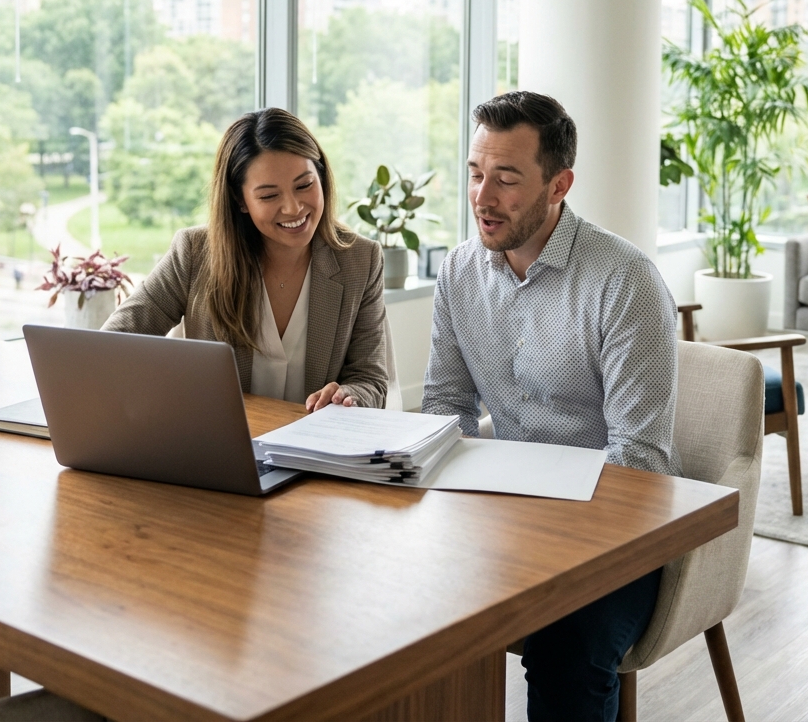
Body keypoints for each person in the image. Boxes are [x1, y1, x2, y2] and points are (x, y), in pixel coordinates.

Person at [421, 90, 680, 722]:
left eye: (507, 180)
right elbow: (444, 409)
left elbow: (638, 463)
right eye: (476, 174)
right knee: (397, 606)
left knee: (567, 647)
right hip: (500, 518)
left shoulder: (625, 282)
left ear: (559, 184)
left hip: (613, 533)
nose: (483, 198)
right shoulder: (458, 273)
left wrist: (548, 541)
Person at [103, 108, 388, 412]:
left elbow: (370, 379)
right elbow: (111, 347)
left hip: (313, 451)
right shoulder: (194, 253)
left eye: (304, 185)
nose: (293, 208)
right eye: (268, 196)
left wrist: (349, 395)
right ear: (240, 200)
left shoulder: (361, 260)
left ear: (321, 177)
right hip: (219, 447)